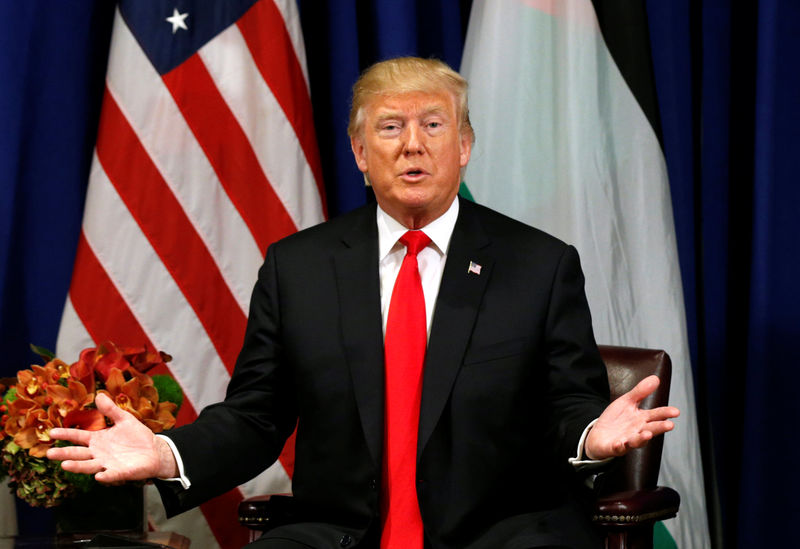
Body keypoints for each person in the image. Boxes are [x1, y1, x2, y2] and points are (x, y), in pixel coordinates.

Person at [47, 57, 679, 549]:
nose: (413, 145)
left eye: (433, 124)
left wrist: (593, 434)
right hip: (338, 534)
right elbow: (256, 416)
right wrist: (169, 453)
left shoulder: (540, 265)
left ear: (464, 146)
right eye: (389, 127)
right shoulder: (298, 268)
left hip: (503, 532)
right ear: (359, 154)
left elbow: (569, 402)